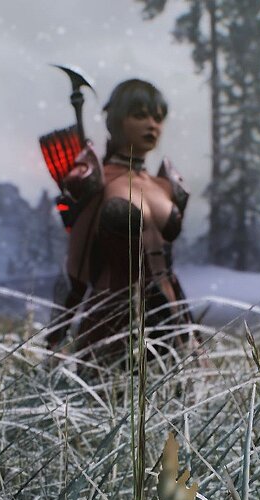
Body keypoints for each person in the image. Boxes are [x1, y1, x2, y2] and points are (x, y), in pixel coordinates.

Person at [46, 78, 192, 373]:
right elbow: (76, 268)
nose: (152, 125)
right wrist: (56, 336)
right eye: (140, 115)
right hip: (111, 322)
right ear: (117, 120)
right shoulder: (98, 183)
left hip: (170, 319)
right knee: (104, 407)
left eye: (158, 117)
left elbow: (168, 269)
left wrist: (188, 328)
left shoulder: (165, 185)